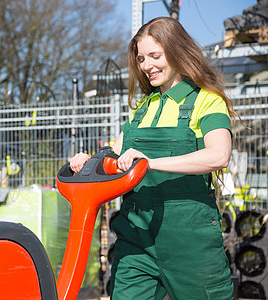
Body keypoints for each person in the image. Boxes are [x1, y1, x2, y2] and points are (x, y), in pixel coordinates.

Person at [70, 17, 238, 299]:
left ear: (177, 51)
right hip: (137, 242)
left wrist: (149, 163)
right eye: (141, 58)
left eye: (155, 56)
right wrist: (89, 162)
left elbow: (219, 155)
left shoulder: (206, 101)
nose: (147, 66)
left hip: (190, 244)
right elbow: (115, 156)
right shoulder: (142, 109)